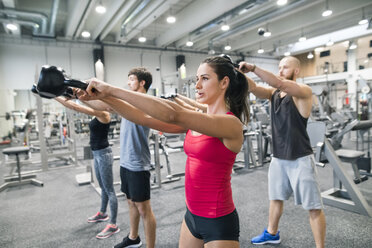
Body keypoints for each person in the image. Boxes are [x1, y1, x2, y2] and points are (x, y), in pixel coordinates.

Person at [79, 56, 250, 248]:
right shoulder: (199, 120)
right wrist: (103, 96)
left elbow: (172, 114)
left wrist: (111, 89)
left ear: (224, 82)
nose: (197, 85)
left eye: (205, 78)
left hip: (218, 221)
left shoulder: (230, 124)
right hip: (191, 217)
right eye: (196, 80)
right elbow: (143, 118)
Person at [239, 56, 326, 248]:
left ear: (296, 71)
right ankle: (271, 233)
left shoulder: (303, 91)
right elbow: (253, 87)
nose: (280, 70)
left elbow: (279, 82)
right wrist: (235, 72)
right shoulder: (273, 94)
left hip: (300, 158)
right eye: (279, 67)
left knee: (313, 207)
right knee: (275, 198)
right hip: (278, 158)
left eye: (285, 67)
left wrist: (253, 67)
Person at [76, 68, 157, 248]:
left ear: (142, 82)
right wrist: (81, 97)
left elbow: (108, 105)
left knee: (144, 209)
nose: (128, 83)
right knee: (130, 202)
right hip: (126, 161)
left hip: (138, 164)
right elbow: (105, 107)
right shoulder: (128, 101)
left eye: (131, 79)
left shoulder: (147, 102)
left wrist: (93, 97)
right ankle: (133, 238)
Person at [54, 95, 119, 239]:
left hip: (104, 154)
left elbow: (75, 107)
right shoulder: (97, 111)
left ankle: (113, 224)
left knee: (109, 190)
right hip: (96, 154)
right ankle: (103, 213)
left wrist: (54, 95)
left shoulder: (104, 114)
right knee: (102, 187)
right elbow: (82, 101)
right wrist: (71, 93)